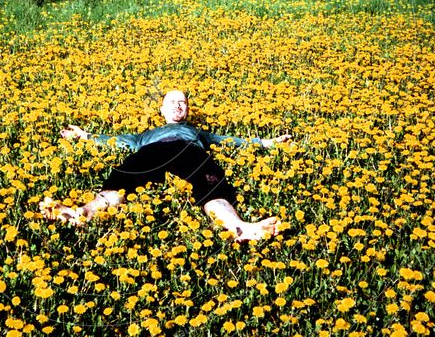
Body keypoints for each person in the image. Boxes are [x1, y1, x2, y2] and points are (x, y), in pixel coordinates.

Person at [40, 90, 292, 242]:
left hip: (189, 152)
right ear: (162, 110)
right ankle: (82, 213)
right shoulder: (146, 135)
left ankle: (240, 228)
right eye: (172, 102)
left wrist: (268, 142)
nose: (177, 105)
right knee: (123, 179)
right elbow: (117, 141)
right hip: (154, 151)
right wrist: (84, 136)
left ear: (187, 110)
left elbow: (230, 141)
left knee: (210, 184)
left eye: (182, 102)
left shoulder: (197, 132)